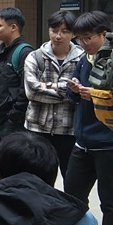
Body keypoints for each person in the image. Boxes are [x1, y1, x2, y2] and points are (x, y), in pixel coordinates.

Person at [65, 11, 113, 225]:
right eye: (79, 38)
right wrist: (74, 89)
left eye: (88, 38)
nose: (83, 43)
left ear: (103, 34)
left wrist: (95, 95)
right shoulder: (83, 59)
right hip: (82, 143)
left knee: (111, 202)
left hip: (110, 144)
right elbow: (73, 97)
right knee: (72, 197)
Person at [24, 10, 84, 179]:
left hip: (69, 130)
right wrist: (67, 92)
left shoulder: (83, 58)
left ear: (73, 34)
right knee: (38, 180)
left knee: (72, 182)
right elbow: (32, 92)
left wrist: (46, 86)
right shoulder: (35, 57)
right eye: (54, 30)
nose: (58, 36)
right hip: (38, 129)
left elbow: (81, 92)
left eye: (64, 31)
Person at [0, 6, 32, 145]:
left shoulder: (24, 52)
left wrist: (14, 116)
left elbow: (26, 90)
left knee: (11, 157)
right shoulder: (1, 52)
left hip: (11, 124)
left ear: (13, 27)